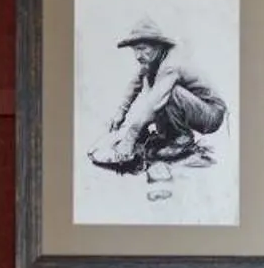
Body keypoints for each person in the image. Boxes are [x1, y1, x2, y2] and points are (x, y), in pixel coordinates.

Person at [89, 17, 226, 183]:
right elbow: (135, 84)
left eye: (142, 49)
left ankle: (182, 139)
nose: (138, 56)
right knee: (158, 92)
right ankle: (170, 137)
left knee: (168, 93)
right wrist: (120, 113)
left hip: (211, 114)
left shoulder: (171, 64)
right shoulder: (153, 60)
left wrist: (130, 138)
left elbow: (154, 103)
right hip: (195, 108)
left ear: (157, 46)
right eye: (135, 50)